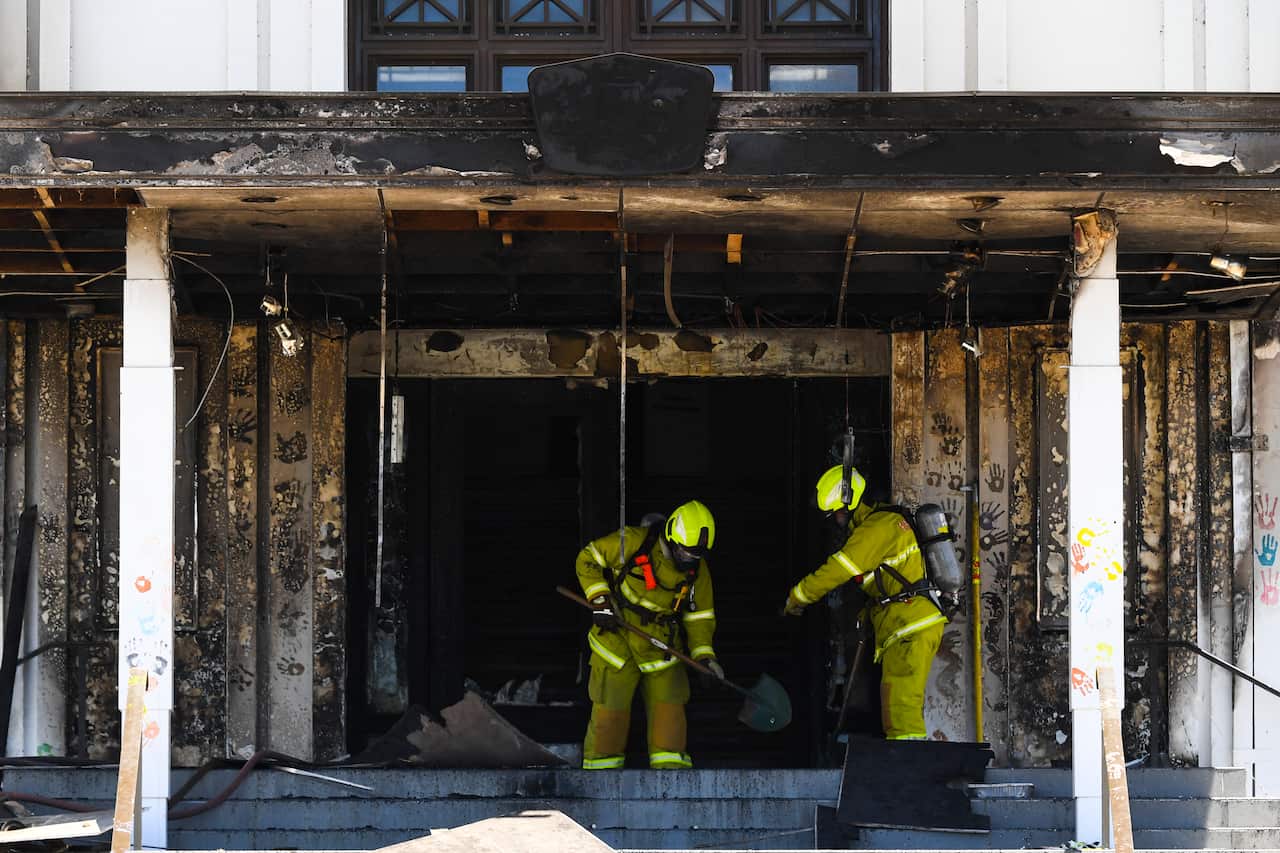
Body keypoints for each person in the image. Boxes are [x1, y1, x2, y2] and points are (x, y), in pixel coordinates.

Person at [782, 465, 947, 741]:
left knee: (901, 710)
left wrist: (799, 595)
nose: (837, 520)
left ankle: (909, 773)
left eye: (836, 513)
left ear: (848, 505)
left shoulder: (875, 529)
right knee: (898, 707)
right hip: (908, 624)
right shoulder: (884, 523)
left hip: (908, 627)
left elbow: (838, 569)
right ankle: (907, 765)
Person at [576, 500, 721, 769]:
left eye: (696, 555)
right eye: (685, 553)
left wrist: (704, 657)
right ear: (670, 538)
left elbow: (700, 617)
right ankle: (600, 785)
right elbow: (588, 559)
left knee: (670, 730)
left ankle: (672, 790)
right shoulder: (631, 542)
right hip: (617, 643)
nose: (689, 560)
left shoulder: (697, 571)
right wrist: (600, 601)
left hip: (662, 650)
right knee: (609, 723)